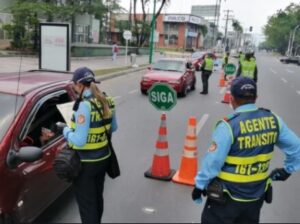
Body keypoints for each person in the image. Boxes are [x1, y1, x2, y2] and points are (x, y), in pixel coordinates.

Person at [192, 77, 300, 224]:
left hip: (226, 199)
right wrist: (287, 170)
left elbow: (213, 162)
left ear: (232, 99)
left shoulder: (228, 125)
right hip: (256, 198)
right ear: (256, 98)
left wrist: (199, 186)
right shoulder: (273, 120)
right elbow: (297, 148)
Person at [63, 67, 118, 224]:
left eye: (74, 85)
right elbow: (113, 128)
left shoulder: (84, 107)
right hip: (103, 159)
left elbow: (79, 140)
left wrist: (65, 130)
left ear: (79, 85)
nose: (73, 88)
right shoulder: (108, 100)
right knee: (96, 198)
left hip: (86, 164)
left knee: (87, 205)